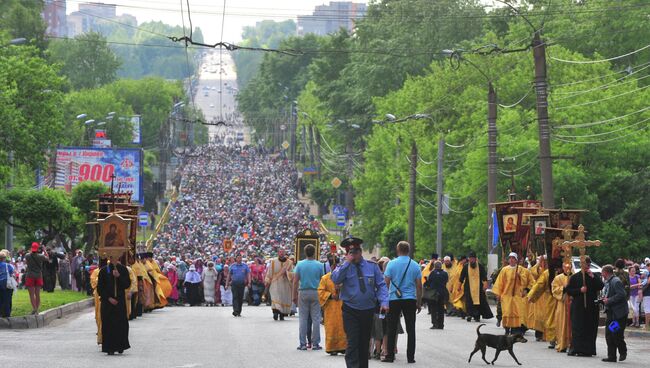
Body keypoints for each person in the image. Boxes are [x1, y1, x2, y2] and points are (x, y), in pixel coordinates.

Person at [331, 236, 389, 368]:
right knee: (353, 342)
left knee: (364, 343)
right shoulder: (344, 268)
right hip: (350, 310)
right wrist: (347, 263)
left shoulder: (372, 266)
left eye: (356, 251)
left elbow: (381, 285)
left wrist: (384, 302)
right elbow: (335, 279)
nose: (354, 254)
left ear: (360, 251)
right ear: (347, 253)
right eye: (351, 252)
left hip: (367, 310)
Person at [382, 241, 421, 364]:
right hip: (410, 299)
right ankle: (411, 357)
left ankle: (390, 356)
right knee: (411, 329)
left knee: (391, 328)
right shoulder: (415, 265)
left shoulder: (391, 264)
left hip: (394, 299)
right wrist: (419, 302)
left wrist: (384, 301)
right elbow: (419, 286)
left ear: (397, 250)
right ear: (408, 250)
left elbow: (386, 283)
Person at [565, 256, 603, 357]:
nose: (588, 266)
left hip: (591, 307)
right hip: (578, 307)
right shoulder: (575, 277)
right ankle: (577, 348)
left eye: (589, 264)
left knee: (590, 328)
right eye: (586, 264)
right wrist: (579, 291)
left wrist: (593, 277)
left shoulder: (593, 276)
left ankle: (588, 350)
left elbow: (601, 286)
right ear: (582, 265)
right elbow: (568, 291)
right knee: (578, 328)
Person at [292, 244, 325, 350]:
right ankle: (315, 343)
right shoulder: (320, 265)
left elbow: (295, 281)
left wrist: (294, 295)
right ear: (314, 252)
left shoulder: (300, 264)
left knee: (303, 318)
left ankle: (302, 343)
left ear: (305, 252)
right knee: (316, 318)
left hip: (303, 292)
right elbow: (322, 280)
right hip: (316, 292)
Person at [97, 257, 131, 355]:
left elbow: (127, 284)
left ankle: (121, 346)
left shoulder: (123, 269)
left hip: (119, 301)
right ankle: (109, 347)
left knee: (121, 324)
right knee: (108, 324)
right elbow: (100, 288)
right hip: (107, 302)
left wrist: (119, 276)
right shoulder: (104, 270)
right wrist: (109, 298)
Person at [492, 252, 532, 334]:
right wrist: (498, 294)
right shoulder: (504, 270)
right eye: (510, 258)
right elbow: (500, 282)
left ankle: (515, 329)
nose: (511, 260)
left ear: (516, 260)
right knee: (507, 312)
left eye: (513, 258)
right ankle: (507, 328)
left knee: (517, 312)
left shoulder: (521, 270)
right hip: (506, 296)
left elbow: (525, 282)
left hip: (517, 296)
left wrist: (519, 277)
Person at [318, 255, 347, 355]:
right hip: (330, 307)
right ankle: (332, 347)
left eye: (336, 266)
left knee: (343, 326)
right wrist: (330, 295)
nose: (334, 268)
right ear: (330, 266)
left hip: (342, 305)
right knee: (332, 326)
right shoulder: (325, 278)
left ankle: (343, 346)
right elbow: (320, 292)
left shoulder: (344, 277)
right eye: (333, 266)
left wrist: (341, 289)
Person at [527, 257, 559, 348]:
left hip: (564, 300)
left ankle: (563, 339)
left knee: (563, 319)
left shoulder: (567, 271)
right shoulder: (547, 272)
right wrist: (531, 296)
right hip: (549, 298)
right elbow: (539, 284)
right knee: (550, 318)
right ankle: (552, 339)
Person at [601, 264, 629, 362]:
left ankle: (623, 351)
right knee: (609, 335)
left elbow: (622, 295)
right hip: (611, 313)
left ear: (606, 272)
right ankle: (611, 356)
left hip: (619, 314)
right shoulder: (608, 282)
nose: (602, 275)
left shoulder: (616, 281)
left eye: (602, 273)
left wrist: (609, 300)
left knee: (616, 334)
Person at [458, 251, 493, 323]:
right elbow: (461, 277)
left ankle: (477, 316)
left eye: (473, 259)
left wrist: (485, 285)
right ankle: (470, 315)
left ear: (475, 259)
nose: (472, 260)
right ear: (469, 259)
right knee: (469, 302)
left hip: (479, 288)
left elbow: (484, 277)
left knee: (478, 302)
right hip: (468, 287)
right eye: (470, 259)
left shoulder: (480, 266)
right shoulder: (465, 267)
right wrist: (459, 286)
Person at [265, 249, 294, 320]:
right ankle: (275, 312)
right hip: (275, 282)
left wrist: (287, 273)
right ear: (278, 253)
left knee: (283, 298)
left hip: (285, 283)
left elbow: (292, 273)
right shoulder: (273, 262)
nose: (281, 253)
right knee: (275, 297)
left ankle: (281, 314)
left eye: (282, 252)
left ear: (284, 253)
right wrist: (267, 281)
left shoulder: (289, 263)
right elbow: (270, 272)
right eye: (280, 252)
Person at [551, 262, 572, 353]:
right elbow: (554, 290)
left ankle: (571, 344)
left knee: (571, 324)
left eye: (569, 266)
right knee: (562, 323)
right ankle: (562, 343)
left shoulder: (574, 276)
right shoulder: (558, 278)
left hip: (572, 303)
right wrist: (563, 288)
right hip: (562, 304)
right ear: (562, 267)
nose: (567, 268)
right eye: (565, 266)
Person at [24, 242, 50, 315]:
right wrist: (44, 250)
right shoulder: (41, 256)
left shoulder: (27, 255)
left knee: (31, 294)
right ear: (38, 249)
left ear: (31, 248)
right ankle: (37, 310)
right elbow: (48, 258)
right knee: (37, 294)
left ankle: (34, 309)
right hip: (38, 276)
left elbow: (26, 261)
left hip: (30, 276)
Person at [423, 260, 448, 329]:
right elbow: (446, 281)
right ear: (441, 266)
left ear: (434, 266)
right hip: (442, 293)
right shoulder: (445, 273)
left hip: (433, 294)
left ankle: (435, 324)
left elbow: (428, 282)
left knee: (433, 309)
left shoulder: (432, 273)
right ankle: (441, 324)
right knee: (441, 309)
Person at [0, 250, 16, 317]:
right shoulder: (8, 265)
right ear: (3, 258)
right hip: (6, 285)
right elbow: (13, 273)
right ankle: (6, 314)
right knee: (7, 299)